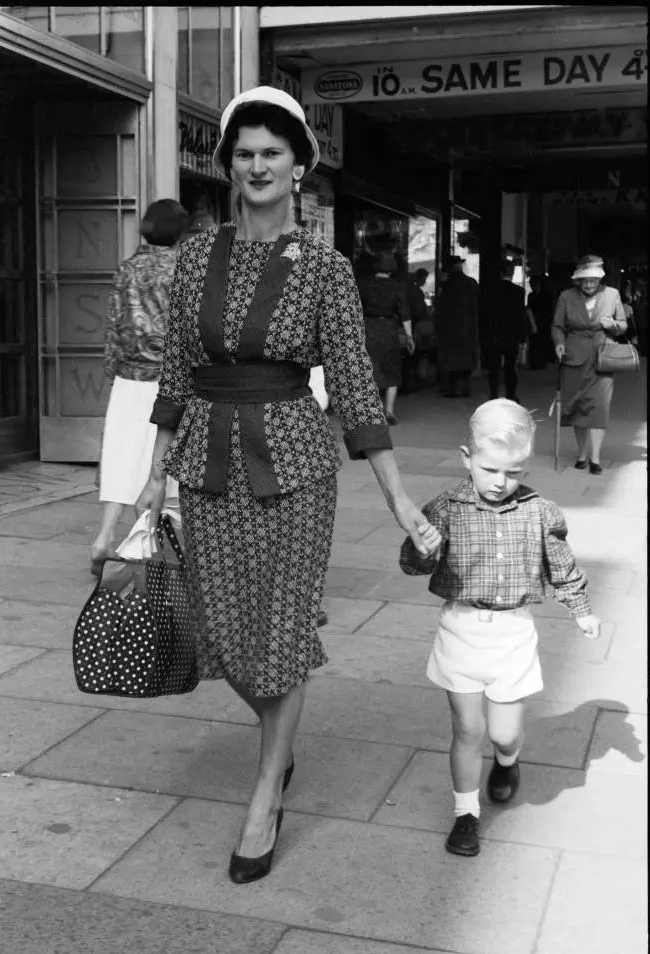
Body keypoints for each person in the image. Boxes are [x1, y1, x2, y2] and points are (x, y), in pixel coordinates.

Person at [138, 85, 431, 885]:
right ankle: (281, 743)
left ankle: (266, 792)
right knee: (229, 643)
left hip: (296, 463)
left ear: (298, 166)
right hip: (205, 459)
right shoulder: (197, 254)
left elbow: (357, 389)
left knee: (281, 632)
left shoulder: (328, 268)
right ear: (228, 167)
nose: (257, 165)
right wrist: (146, 487)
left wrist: (399, 497)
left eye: (272, 152)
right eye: (244, 153)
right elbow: (172, 376)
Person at [399, 399, 601, 857]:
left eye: (513, 472)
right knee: (467, 730)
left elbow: (562, 566)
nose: (500, 482)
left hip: (512, 634)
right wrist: (423, 548)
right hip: (461, 628)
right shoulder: (447, 507)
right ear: (467, 458)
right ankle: (465, 815)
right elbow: (411, 562)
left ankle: (507, 761)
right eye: (490, 469)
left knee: (504, 732)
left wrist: (581, 609)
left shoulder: (540, 511)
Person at [91, 199, 188, 573]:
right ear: (179, 232)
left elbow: (115, 325)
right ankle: (149, 543)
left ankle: (103, 538)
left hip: (129, 378)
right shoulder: (181, 269)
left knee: (120, 455)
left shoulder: (127, 268)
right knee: (163, 458)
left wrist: (112, 370)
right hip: (169, 379)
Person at [551, 254, 627, 476]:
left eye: (594, 280)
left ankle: (595, 458)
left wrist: (613, 325)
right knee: (577, 407)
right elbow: (557, 325)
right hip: (573, 357)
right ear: (577, 281)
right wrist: (559, 344)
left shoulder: (612, 294)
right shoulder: (566, 296)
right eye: (585, 280)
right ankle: (581, 454)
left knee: (599, 408)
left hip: (603, 358)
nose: (590, 284)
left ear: (600, 279)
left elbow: (623, 326)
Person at [357, 248, 413, 424]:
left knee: (368, 369)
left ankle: (369, 411)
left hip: (368, 329)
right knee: (392, 370)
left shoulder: (363, 284)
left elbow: (355, 309)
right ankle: (388, 410)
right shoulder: (397, 287)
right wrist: (410, 336)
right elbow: (404, 313)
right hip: (389, 329)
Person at [483, 259, 533, 404]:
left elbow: (485, 313)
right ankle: (511, 395)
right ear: (511, 273)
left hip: (493, 334)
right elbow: (520, 314)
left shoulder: (490, 290)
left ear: (499, 272)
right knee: (510, 367)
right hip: (511, 334)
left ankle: (493, 395)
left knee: (494, 367)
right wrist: (523, 335)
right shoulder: (518, 291)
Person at [435, 255, 479, 398]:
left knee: (451, 359)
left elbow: (441, 310)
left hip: (451, 329)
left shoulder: (447, 286)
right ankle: (466, 387)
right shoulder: (472, 283)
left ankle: (452, 388)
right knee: (466, 358)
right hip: (469, 328)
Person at [527, 272, 555, 369]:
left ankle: (541, 361)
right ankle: (536, 362)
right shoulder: (532, 295)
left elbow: (549, 309)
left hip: (543, 321)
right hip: (535, 320)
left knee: (542, 341)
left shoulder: (546, 294)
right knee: (535, 342)